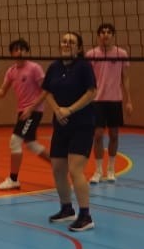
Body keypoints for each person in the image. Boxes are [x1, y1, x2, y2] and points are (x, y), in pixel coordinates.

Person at [41, 31, 98, 231]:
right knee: (58, 168)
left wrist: (70, 110)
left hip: (82, 124)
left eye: (71, 42)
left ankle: (86, 216)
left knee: (75, 170)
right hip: (61, 124)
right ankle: (67, 209)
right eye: (64, 41)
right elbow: (47, 92)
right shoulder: (54, 67)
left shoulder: (84, 66)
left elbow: (92, 92)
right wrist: (57, 110)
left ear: (79, 48)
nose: (66, 44)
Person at [0, 37, 49, 190]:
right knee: (31, 145)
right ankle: (60, 165)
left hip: (33, 111)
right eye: (16, 49)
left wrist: (31, 108)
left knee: (15, 141)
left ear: (27, 51)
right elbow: (1, 92)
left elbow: (46, 90)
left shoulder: (34, 68)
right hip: (23, 111)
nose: (20, 52)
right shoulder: (11, 71)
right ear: (12, 53)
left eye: (23, 49)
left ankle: (13, 179)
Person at [87, 22, 132, 184]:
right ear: (98, 35)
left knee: (114, 135)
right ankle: (98, 170)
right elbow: (87, 79)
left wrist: (129, 100)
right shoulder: (91, 54)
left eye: (108, 32)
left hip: (115, 100)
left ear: (113, 35)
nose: (105, 35)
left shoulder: (121, 53)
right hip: (97, 101)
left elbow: (125, 77)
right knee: (98, 135)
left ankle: (111, 169)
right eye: (102, 32)